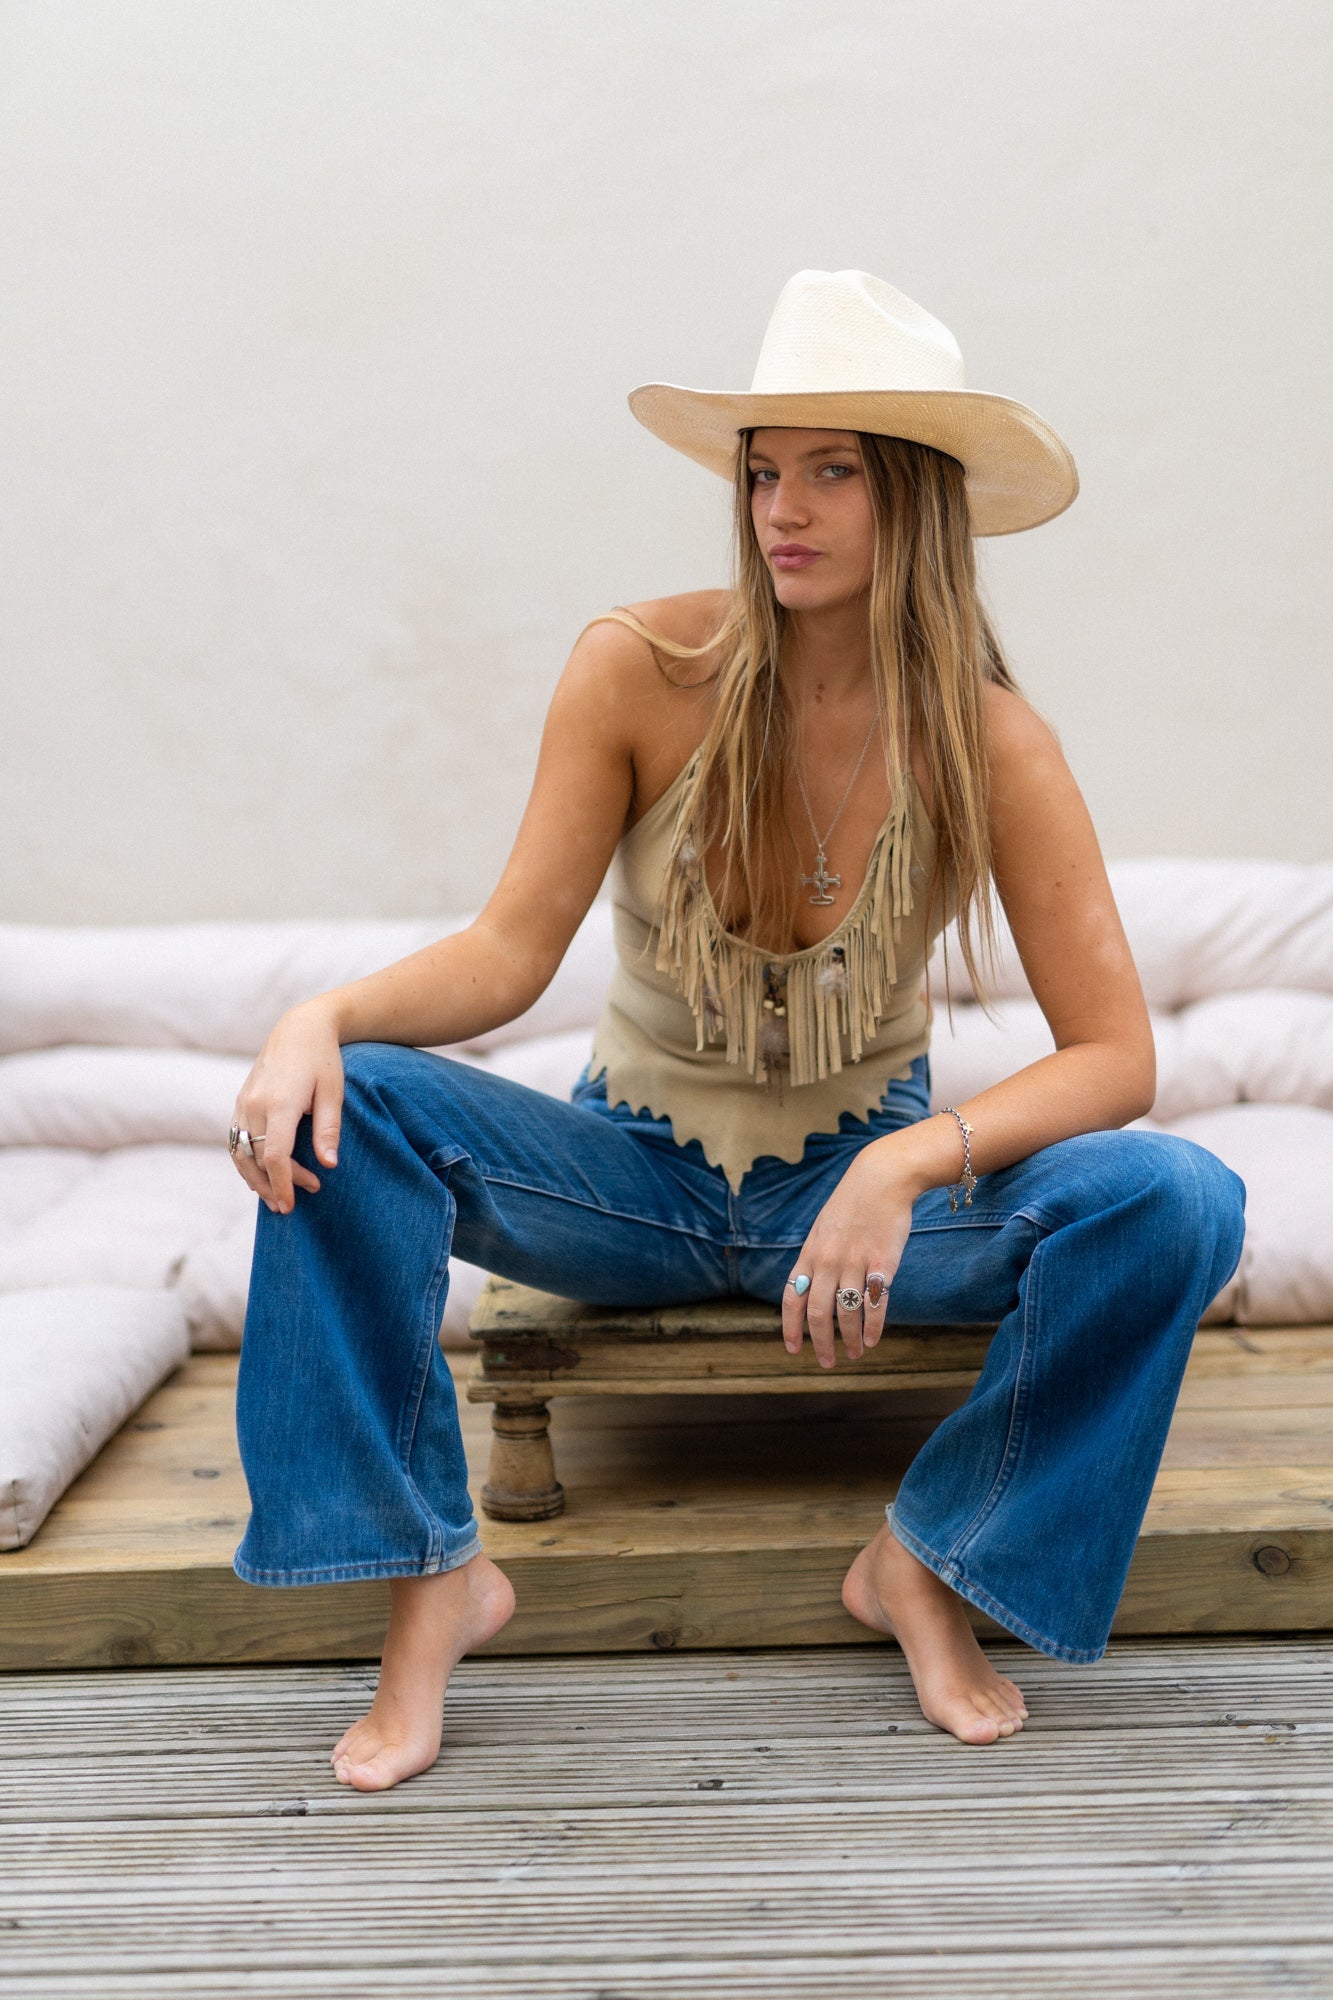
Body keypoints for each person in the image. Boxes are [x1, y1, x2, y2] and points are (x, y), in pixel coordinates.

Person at [227, 269, 1246, 1790]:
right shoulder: (639, 669)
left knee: (1182, 1201)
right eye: (765, 472)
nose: (784, 509)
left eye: (833, 471)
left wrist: (903, 1165)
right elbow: (509, 954)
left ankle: (932, 1556)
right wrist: (316, 1016)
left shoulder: (991, 739)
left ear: (917, 499)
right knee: (347, 1100)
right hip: (624, 1185)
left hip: (854, 1204)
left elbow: (1117, 1057)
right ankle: (433, 1576)